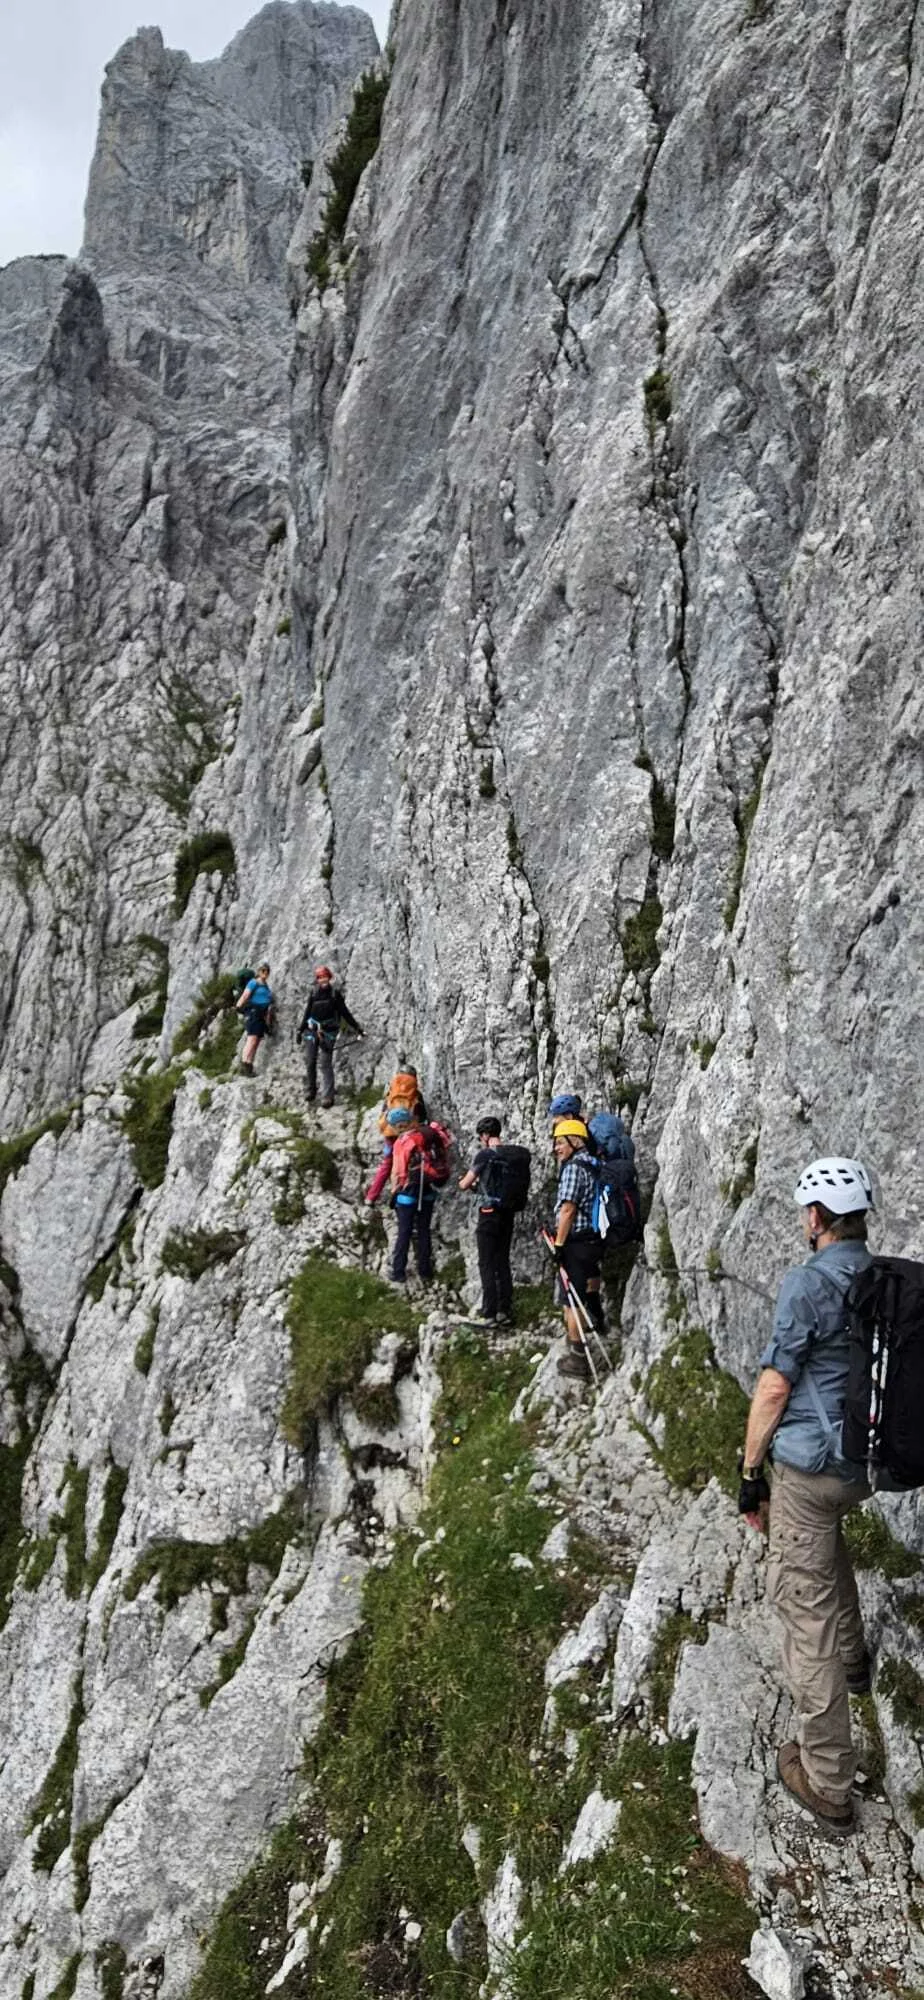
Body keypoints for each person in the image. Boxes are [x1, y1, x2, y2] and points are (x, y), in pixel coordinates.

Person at [738, 1156, 874, 1837]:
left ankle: (827, 1781)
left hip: (809, 1468)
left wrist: (749, 1470)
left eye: (804, 1212)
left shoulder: (807, 1282)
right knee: (827, 1549)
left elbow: (774, 1386)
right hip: (864, 1465)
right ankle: (856, 1662)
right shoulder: (881, 1277)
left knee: (804, 1610)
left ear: (817, 1217)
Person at [550, 1117, 604, 1379]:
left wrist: (559, 1245)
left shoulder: (573, 1169)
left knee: (571, 1299)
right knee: (587, 1285)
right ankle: (596, 1321)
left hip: (576, 1242)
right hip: (593, 1239)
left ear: (574, 1141)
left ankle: (578, 1359)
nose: (556, 1148)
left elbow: (568, 1209)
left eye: (560, 1143)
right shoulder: (595, 1164)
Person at [458, 1116, 514, 1326]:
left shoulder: (485, 1155)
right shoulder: (510, 1155)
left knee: (486, 1262)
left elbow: (465, 1184)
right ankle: (505, 1311)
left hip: (489, 1214)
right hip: (507, 1213)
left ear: (485, 1135)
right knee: (503, 1261)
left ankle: (489, 1312)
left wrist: (467, 1183)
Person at [297, 965, 363, 1107]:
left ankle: (328, 1096)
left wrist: (357, 1028)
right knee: (310, 1061)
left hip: (329, 1032)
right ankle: (311, 1090)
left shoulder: (334, 994)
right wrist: (300, 1030)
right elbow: (307, 1012)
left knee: (325, 1062)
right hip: (312, 1030)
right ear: (317, 980)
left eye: (325, 976)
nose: (323, 980)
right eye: (320, 977)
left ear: (329, 977)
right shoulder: (313, 993)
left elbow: (345, 1013)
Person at [365, 1065, 428, 1205]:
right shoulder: (416, 1094)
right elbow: (422, 1116)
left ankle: (371, 1197)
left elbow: (385, 1111)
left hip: (391, 1132)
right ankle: (402, 1194)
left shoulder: (391, 1090)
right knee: (408, 1163)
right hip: (408, 1133)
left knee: (387, 1163)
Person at [388, 1113, 438, 1285]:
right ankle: (425, 1271)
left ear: (397, 1125)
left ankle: (398, 1271)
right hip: (428, 1190)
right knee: (424, 1230)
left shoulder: (402, 1142)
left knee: (404, 1232)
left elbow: (399, 1171)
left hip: (408, 1193)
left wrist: (395, 1190)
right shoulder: (425, 1136)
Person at [235, 962, 274, 1077]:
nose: (265, 973)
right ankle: (244, 1064)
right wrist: (238, 1006)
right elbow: (245, 995)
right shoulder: (253, 982)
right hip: (254, 1012)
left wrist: (268, 1022)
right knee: (251, 1039)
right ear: (259, 971)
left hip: (262, 1015)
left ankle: (249, 1065)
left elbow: (268, 1005)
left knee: (256, 1041)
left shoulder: (266, 986)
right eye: (263, 970)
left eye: (267, 971)